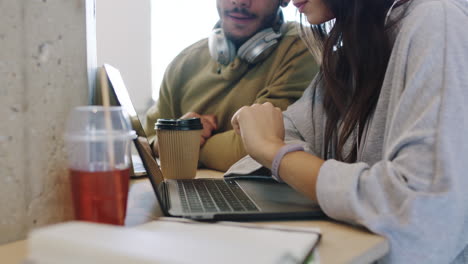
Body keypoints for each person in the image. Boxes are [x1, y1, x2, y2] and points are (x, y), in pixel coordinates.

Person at [229, 0, 468, 263]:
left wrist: (278, 154)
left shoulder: (438, 19)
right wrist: (283, 153)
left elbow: (424, 213)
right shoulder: (353, 49)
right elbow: (290, 131)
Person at [144, 0, 319, 172]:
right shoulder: (186, 61)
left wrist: (179, 145)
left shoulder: (306, 48)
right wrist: (161, 143)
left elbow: (263, 145)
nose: (240, 2)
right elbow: (146, 137)